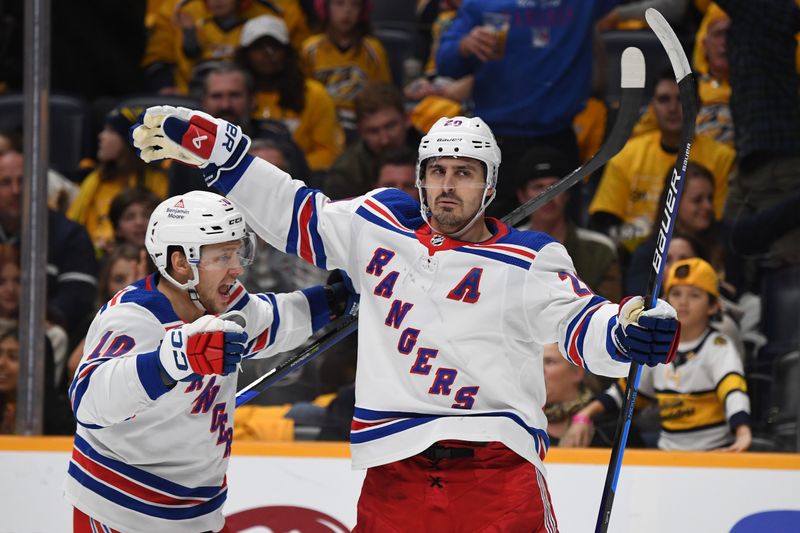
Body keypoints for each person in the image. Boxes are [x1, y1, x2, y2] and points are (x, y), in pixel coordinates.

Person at [133, 107, 682, 530]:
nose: (447, 185)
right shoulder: (378, 221)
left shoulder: (531, 259)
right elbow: (299, 215)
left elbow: (587, 328)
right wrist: (227, 159)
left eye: (464, 173)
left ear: (489, 186)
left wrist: (631, 330)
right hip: (394, 473)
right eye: (437, 171)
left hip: (497, 473)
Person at [64, 190, 356, 532]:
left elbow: (271, 321)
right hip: (121, 513)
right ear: (180, 263)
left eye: (238, 252)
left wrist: (335, 300)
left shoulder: (225, 301)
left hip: (198, 513)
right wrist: (170, 362)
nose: (236, 269)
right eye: (223, 256)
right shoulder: (133, 316)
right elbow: (88, 400)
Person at [436, 0, 618, 216]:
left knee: (561, 239)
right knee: (491, 236)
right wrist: (465, 46)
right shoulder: (480, 3)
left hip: (558, 138)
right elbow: (445, 62)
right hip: (497, 142)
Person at [564, 258, 752, 452]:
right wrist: (584, 416)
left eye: (695, 295)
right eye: (676, 294)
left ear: (714, 306)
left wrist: (742, 431)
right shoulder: (656, 346)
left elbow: (733, 389)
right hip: (667, 455)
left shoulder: (718, 346)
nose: (683, 302)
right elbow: (625, 393)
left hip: (715, 452)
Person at [588, 68, 735, 251]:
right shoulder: (626, 156)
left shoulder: (722, 158)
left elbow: (720, 225)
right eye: (664, 99)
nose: (673, 108)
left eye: (681, 99)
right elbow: (603, 222)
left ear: (698, 105)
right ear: (652, 107)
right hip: (636, 259)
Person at [169, 62, 312, 195]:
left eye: (235, 95)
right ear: (204, 102)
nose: (225, 105)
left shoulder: (280, 141)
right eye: (216, 96)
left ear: (252, 100)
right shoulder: (187, 151)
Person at [0, 149, 98, 343]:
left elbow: (77, 298)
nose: (16, 190)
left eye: (23, 181)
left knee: (54, 337)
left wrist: (34, 319)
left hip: (40, 332)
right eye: (5, 182)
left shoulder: (70, 235)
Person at [236, 15, 344, 172]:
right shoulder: (234, 96)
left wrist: (282, 169)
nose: (268, 53)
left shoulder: (314, 94)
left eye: (275, 46)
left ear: (287, 52)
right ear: (245, 54)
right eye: (258, 47)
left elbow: (329, 153)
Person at [515, 146, 622, 301]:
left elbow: (612, 310)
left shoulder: (601, 249)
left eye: (555, 187)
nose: (547, 197)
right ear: (522, 195)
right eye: (538, 187)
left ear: (567, 193)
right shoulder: (507, 247)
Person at [67, 106, 169, 255]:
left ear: (128, 139)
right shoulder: (95, 179)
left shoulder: (157, 180)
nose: (101, 136)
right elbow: (73, 225)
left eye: (111, 131)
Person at [301, 0, 391, 132]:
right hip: (322, 123)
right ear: (325, 8)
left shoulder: (374, 49)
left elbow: (384, 96)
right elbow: (303, 96)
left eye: (355, 5)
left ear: (362, 11)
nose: (347, 11)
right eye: (339, 3)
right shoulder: (309, 49)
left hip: (361, 125)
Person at [323, 81, 421, 200]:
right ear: (360, 132)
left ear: (407, 119)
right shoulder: (346, 174)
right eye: (373, 131)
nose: (384, 140)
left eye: (390, 126)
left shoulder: (435, 154)